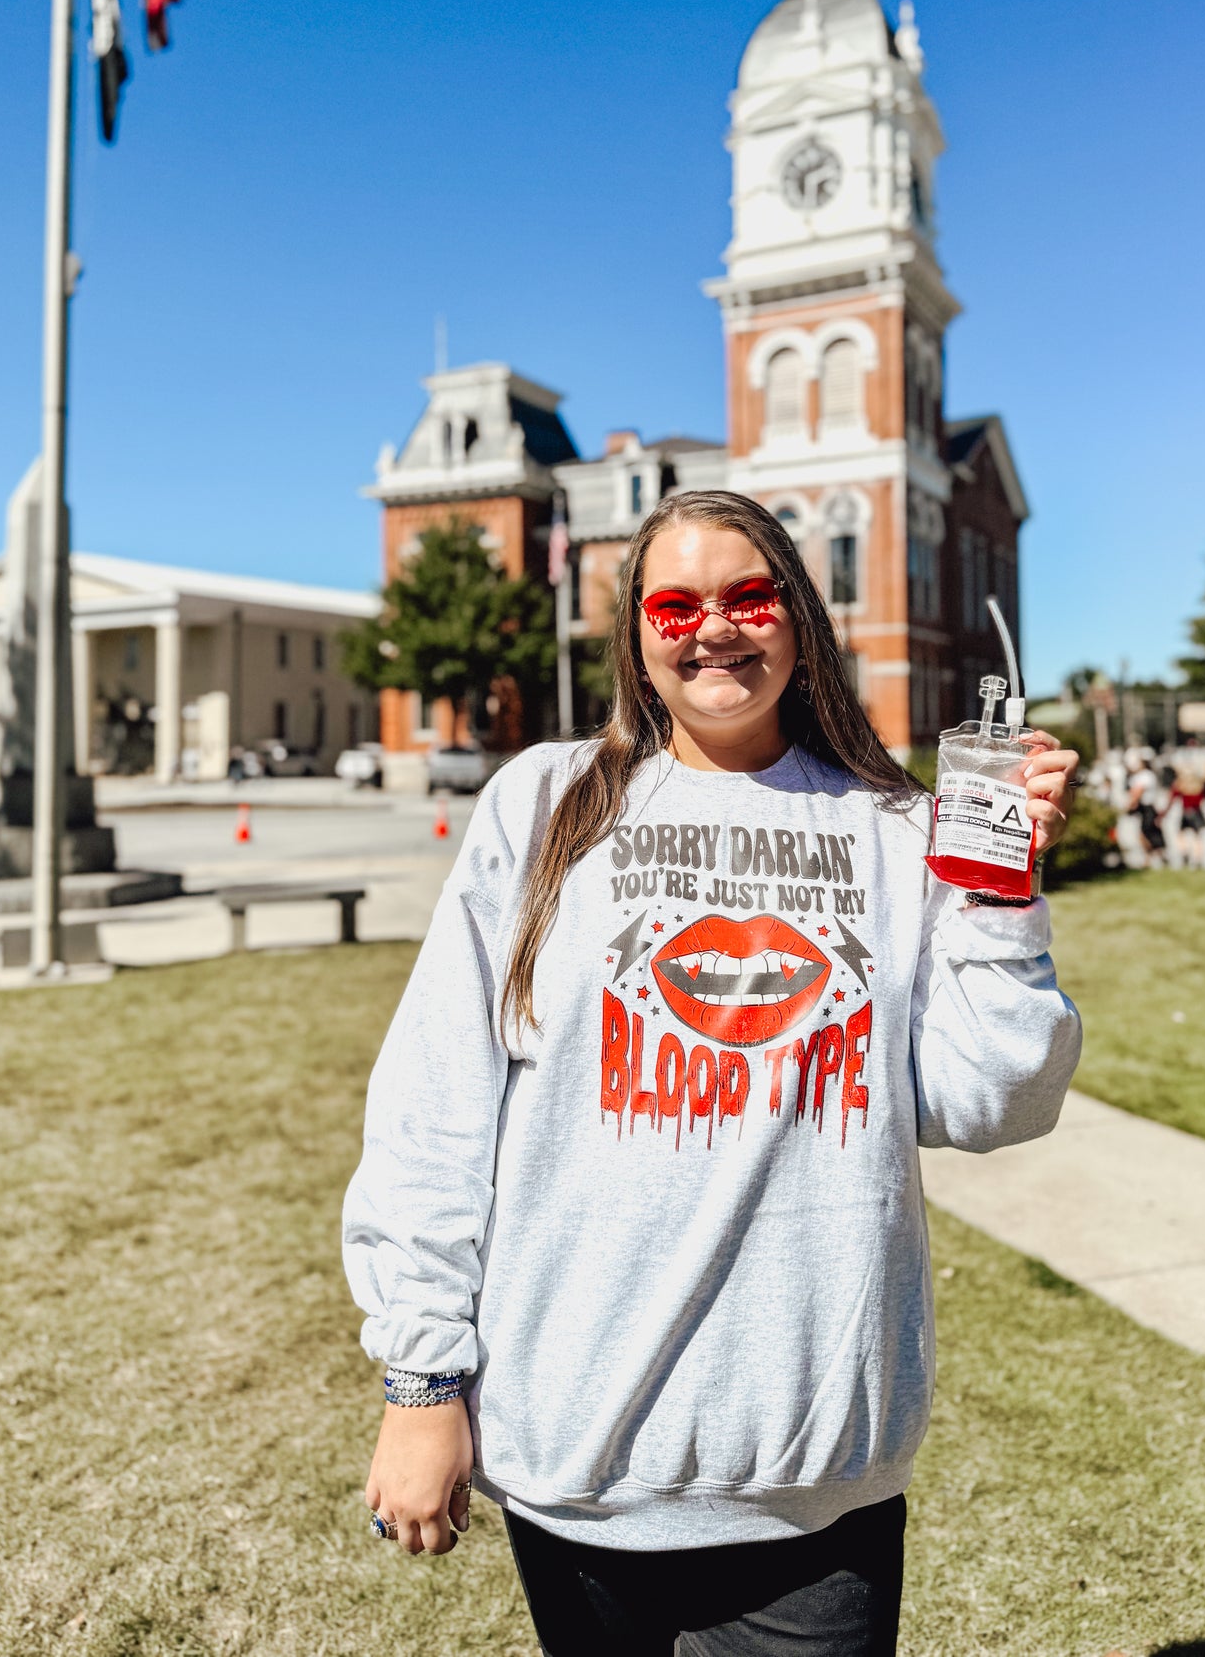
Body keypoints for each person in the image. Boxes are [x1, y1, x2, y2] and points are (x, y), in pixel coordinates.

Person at [342, 491, 1082, 1656]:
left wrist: (1000, 896)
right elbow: (436, 1108)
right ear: (636, 633)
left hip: (812, 1473)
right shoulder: (545, 805)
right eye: (675, 604)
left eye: (748, 595)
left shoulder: (896, 828)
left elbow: (987, 1101)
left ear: (799, 614)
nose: (714, 629)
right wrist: (421, 1383)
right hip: (576, 1452)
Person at [1163, 762, 1205, 869]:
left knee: (1181, 834)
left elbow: (1171, 801)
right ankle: (1198, 858)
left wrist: (1163, 813)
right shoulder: (1200, 785)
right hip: (1197, 812)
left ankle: (1184, 853)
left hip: (1186, 812)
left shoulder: (1180, 785)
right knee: (1197, 837)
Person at [1124, 751, 1167, 868]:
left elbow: (1138, 791)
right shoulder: (1140, 775)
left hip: (1148, 808)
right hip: (1143, 808)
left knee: (1147, 833)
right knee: (1149, 833)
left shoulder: (1146, 775)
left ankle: (1152, 857)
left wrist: (1128, 805)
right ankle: (1154, 857)